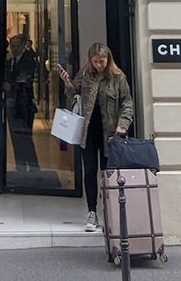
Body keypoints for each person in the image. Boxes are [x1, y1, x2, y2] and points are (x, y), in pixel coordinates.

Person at [55, 42, 134, 234]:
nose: (99, 65)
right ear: (90, 60)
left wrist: (123, 123)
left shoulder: (118, 77)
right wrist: (67, 83)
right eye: (96, 61)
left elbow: (127, 102)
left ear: (108, 59)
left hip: (111, 133)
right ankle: (92, 211)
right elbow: (74, 94)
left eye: (102, 61)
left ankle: (111, 211)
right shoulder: (85, 75)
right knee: (90, 171)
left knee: (109, 173)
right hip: (89, 131)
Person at [4, 34, 40, 172]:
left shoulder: (28, 60)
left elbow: (23, 80)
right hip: (13, 105)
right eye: (12, 46)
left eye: (17, 46)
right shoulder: (10, 61)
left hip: (24, 106)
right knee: (15, 137)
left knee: (25, 138)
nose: (14, 49)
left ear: (23, 45)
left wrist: (10, 86)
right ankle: (21, 165)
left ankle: (33, 167)